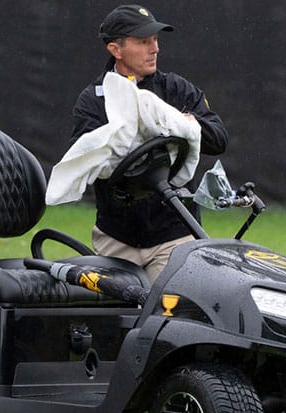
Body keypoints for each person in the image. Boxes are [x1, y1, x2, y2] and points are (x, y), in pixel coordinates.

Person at [69, 4, 228, 284]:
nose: (154, 49)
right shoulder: (93, 101)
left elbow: (217, 139)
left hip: (174, 236)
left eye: (155, 40)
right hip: (115, 241)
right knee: (116, 325)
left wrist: (182, 123)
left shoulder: (175, 89)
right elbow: (85, 161)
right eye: (143, 42)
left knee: (171, 320)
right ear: (115, 50)